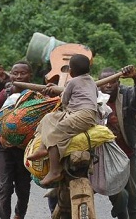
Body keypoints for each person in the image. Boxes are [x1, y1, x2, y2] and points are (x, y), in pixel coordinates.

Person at [98, 66, 136, 219]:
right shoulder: (92, 99)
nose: (108, 85)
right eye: (104, 82)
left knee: (132, 192)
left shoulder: (127, 95)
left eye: (113, 81)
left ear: (118, 83)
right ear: (98, 84)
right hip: (102, 156)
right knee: (118, 193)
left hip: (127, 152)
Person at [27, 54, 98, 187]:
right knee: (49, 117)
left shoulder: (72, 82)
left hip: (82, 115)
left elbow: (64, 100)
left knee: (55, 132)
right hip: (82, 114)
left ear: (70, 71)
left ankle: (55, 170)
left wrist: (57, 92)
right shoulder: (92, 81)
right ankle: (43, 147)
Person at [0, 61, 35, 219]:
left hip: (24, 149)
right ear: (10, 75)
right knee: (5, 186)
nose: (19, 77)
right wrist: (3, 138)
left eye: (23, 73)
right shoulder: (4, 96)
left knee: (23, 187)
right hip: (3, 148)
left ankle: (19, 215)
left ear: (30, 76)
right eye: (15, 73)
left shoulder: (34, 97)